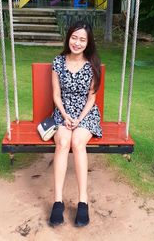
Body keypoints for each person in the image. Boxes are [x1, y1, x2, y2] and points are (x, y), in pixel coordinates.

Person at [49, 21, 102, 227]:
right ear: (68, 37)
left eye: (82, 39)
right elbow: (56, 95)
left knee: (78, 141)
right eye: (74, 37)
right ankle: (57, 201)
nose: (77, 43)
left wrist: (79, 119)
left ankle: (82, 201)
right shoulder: (58, 62)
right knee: (63, 141)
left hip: (85, 114)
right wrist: (65, 115)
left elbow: (91, 98)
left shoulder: (92, 65)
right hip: (63, 111)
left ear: (88, 43)